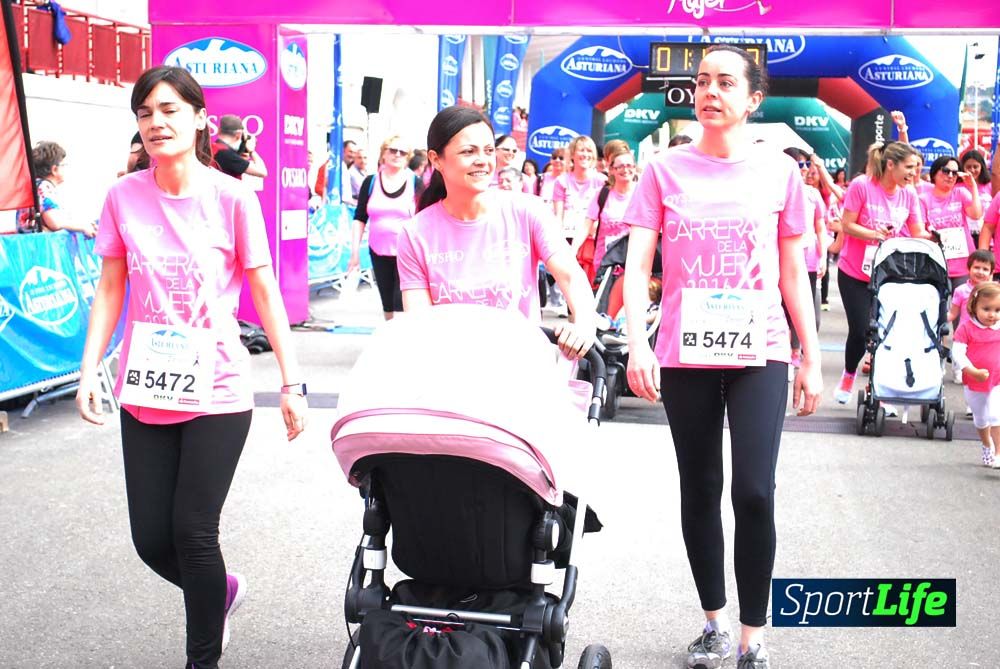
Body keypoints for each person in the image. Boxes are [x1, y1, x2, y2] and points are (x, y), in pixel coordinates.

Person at [74, 65, 307, 669]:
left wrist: (291, 381)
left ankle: (201, 659)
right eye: (146, 112)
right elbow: (109, 289)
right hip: (146, 384)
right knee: (152, 541)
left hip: (219, 387)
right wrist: (87, 370)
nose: (157, 122)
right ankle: (222, 595)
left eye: (171, 109)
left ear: (200, 118)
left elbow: (265, 292)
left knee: (194, 534)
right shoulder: (123, 195)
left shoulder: (232, 197)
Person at [621, 44, 821, 669]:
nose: (710, 91)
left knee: (755, 491)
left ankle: (753, 635)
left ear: (753, 98)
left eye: (726, 82)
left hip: (761, 348)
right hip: (685, 350)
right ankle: (712, 623)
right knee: (700, 486)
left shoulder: (780, 174)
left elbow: (794, 277)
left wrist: (810, 357)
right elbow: (635, 270)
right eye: (702, 80)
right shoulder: (662, 170)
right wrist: (636, 344)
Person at [396, 105, 594, 358]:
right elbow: (419, 322)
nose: (482, 160)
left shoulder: (528, 211)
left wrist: (584, 325)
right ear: (436, 160)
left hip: (523, 369)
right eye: (468, 151)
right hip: (451, 374)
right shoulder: (415, 234)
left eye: (488, 150)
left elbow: (570, 277)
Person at [833, 141, 932, 404]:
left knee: (887, 332)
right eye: (909, 167)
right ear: (891, 164)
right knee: (861, 330)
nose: (914, 173)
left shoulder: (909, 194)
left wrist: (933, 237)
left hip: (888, 273)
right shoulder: (862, 186)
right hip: (854, 271)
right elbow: (847, 225)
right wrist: (875, 235)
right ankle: (849, 372)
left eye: (917, 168)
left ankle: (882, 387)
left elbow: (916, 229)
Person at [348, 135, 417, 320]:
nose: (397, 154)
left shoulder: (415, 182)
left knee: (401, 302)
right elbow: (359, 218)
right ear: (383, 154)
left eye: (402, 152)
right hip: (378, 250)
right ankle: (390, 337)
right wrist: (354, 253)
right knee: (387, 300)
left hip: (408, 253)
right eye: (392, 150)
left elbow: (425, 218)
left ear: (408, 157)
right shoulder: (370, 182)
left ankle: (403, 342)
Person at [783, 147, 827, 360]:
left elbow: (820, 226)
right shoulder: (775, 191)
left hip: (809, 260)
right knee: (783, 307)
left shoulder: (812, 193)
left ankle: (798, 349)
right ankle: (786, 349)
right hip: (782, 259)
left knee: (807, 307)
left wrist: (824, 255)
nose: (804, 169)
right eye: (800, 164)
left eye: (805, 165)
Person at [570, 140, 636, 278]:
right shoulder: (603, 194)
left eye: (629, 166)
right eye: (620, 166)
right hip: (604, 265)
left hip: (632, 266)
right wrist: (572, 250)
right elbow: (586, 225)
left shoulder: (642, 194)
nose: (625, 170)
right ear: (611, 170)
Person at [952, 281, 1000, 468]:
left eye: (997, 310)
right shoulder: (966, 328)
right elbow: (957, 353)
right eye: (986, 309)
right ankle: (986, 444)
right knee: (981, 418)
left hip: (997, 379)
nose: (992, 314)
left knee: (996, 414)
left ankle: (998, 453)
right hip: (974, 381)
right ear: (974, 306)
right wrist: (972, 371)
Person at [919, 156, 982, 287]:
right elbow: (919, 231)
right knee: (942, 306)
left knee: (964, 305)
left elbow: (976, 215)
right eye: (946, 171)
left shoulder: (961, 193)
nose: (950, 175)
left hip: (964, 263)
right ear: (934, 173)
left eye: (955, 172)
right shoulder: (923, 199)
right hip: (937, 263)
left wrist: (973, 186)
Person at [16, 141, 97, 236]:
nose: (66, 169)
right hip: (40, 246)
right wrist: (82, 227)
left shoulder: (34, 186)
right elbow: (55, 222)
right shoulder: (44, 187)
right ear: (54, 170)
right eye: (63, 165)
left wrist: (83, 223)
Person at [947, 249, 995, 387]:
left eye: (985, 269)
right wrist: (937, 320)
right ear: (969, 268)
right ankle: (959, 371)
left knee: (982, 362)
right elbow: (953, 313)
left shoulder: (994, 291)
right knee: (962, 366)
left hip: (986, 334)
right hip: (964, 334)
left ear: (991, 273)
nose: (980, 272)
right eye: (976, 267)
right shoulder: (961, 290)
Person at [553, 135, 607, 241]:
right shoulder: (561, 181)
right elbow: (558, 217)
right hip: (567, 237)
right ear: (572, 154)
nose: (585, 154)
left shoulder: (602, 181)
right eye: (582, 150)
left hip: (593, 239)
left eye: (589, 151)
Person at [211, 114, 268, 180]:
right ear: (238, 135)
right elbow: (262, 172)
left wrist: (240, 156)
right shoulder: (226, 154)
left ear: (218, 130)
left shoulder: (213, 148)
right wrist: (252, 151)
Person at [959, 149, 994, 247]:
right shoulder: (957, 186)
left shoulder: (990, 186)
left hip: (987, 236)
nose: (972, 170)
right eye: (968, 167)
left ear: (982, 167)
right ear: (962, 167)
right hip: (964, 237)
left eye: (976, 166)